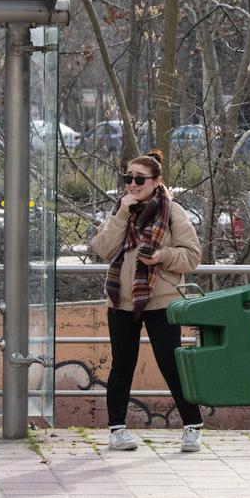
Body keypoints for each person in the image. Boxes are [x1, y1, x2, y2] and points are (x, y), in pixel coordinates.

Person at [91, 150, 204, 452]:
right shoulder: (120, 210)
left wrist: (162, 256)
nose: (132, 184)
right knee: (121, 366)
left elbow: (192, 256)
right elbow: (102, 248)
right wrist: (121, 214)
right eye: (128, 178)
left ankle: (193, 426)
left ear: (156, 182)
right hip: (121, 302)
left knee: (171, 364)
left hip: (160, 301)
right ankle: (117, 430)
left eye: (139, 179)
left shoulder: (173, 211)